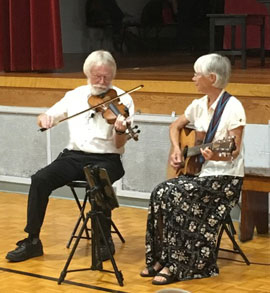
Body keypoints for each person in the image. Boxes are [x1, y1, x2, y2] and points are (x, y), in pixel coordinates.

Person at [6, 50, 134, 263]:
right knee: (40, 179)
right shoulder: (75, 95)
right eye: (97, 77)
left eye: (107, 77)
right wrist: (45, 119)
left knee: (98, 178)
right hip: (73, 157)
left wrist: (120, 130)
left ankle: (103, 240)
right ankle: (32, 241)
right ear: (87, 74)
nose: (102, 82)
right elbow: (46, 116)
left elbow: (119, 144)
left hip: (107, 159)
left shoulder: (123, 99)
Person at [140, 53, 246, 285]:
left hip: (224, 179)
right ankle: (164, 257)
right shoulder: (198, 105)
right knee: (160, 191)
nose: (193, 78)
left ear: (212, 77)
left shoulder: (233, 107)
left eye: (197, 74)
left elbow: (234, 149)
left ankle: (182, 265)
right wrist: (177, 149)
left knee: (178, 194)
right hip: (201, 174)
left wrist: (215, 153)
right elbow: (175, 126)